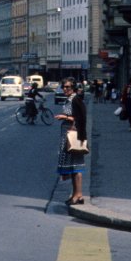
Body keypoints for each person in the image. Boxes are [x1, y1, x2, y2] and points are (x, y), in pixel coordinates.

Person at [55, 77, 87, 205]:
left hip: (74, 136)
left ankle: (79, 194)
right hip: (68, 136)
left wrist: (65, 117)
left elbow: (81, 117)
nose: (65, 89)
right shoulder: (69, 99)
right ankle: (75, 194)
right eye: (63, 87)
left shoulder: (75, 99)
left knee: (76, 167)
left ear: (73, 87)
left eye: (67, 87)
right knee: (72, 167)